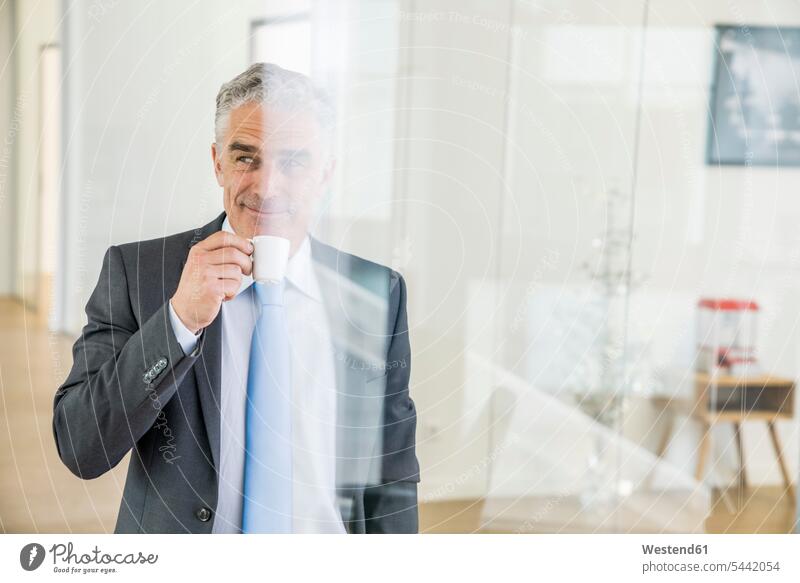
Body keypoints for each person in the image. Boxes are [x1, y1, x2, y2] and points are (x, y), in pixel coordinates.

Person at [52, 63, 419, 533]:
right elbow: (81, 446)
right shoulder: (139, 273)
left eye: (294, 162)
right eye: (246, 157)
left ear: (326, 172)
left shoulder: (377, 293)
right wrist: (178, 320)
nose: (266, 187)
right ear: (217, 162)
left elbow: (392, 470)